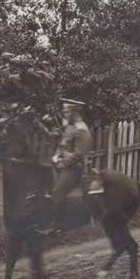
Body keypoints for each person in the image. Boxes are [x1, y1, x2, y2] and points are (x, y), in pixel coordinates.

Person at [51, 98, 93, 232]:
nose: (64, 113)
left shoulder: (82, 130)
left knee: (57, 192)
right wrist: (56, 156)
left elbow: (78, 155)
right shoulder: (69, 126)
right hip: (62, 163)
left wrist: (62, 163)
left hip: (75, 168)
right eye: (64, 111)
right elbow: (62, 144)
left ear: (75, 112)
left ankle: (56, 226)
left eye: (67, 111)